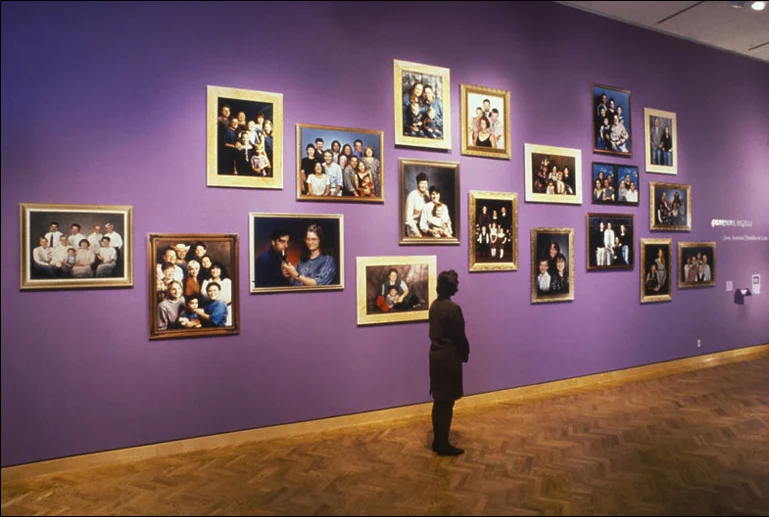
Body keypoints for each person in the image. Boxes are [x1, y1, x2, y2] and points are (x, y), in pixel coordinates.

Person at [428, 270, 469, 457]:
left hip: (435, 357)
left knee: (439, 401)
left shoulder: (434, 306)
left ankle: (438, 441)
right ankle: (443, 444)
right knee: (447, 402)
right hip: (449, 358)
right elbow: (459, 336)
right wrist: (465, 353)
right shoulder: (453, 309)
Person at [405, 172, 429, 237]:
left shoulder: (428, 195)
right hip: (413, 226)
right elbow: (408, 218)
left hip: (425, 226)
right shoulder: (412, 196)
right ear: (417, 184)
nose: (424, 186)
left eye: (425, 183)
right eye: (421, 183)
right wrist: (416, 231)